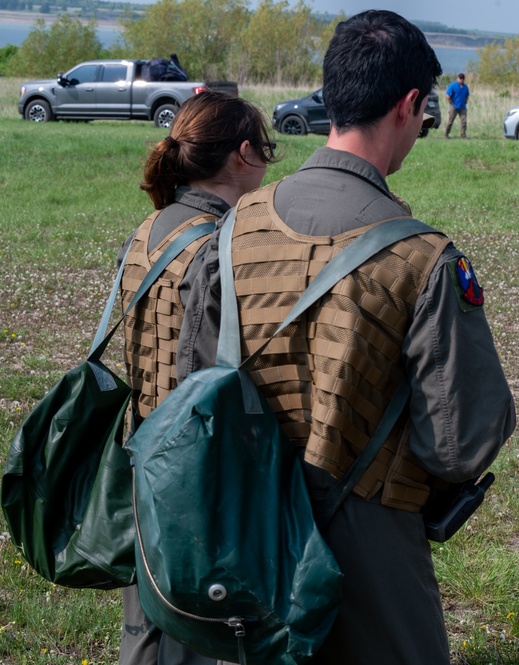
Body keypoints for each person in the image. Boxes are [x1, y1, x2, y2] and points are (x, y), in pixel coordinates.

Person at [176, 10, 516, 664]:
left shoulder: (227, 228)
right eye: (424, 112)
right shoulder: (423, 258)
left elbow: (191, 389)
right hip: (372, 547)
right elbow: (459, 443)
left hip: (242, 534)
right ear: (410, 104)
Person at [116, 90, 278, 665]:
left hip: (143, 456)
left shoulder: (148, 228)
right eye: (266, 149)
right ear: (242, 155)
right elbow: (211, 382)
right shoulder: (220, 247)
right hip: (195, 472)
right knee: (201, 629)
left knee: (149, 621)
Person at [444, 72, 469, 139]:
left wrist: (466, 102)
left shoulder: (465, 87)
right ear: (457, 78)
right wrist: (451, 103)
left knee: (464, 122)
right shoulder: (453, 86)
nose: (461, 80)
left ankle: (463, 135)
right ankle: (446, 135)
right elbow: (447, 95)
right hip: (454, 106)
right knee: (450, 122)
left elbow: (467, 95)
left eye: (462, 78)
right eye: (460, 78)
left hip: (462, 107)